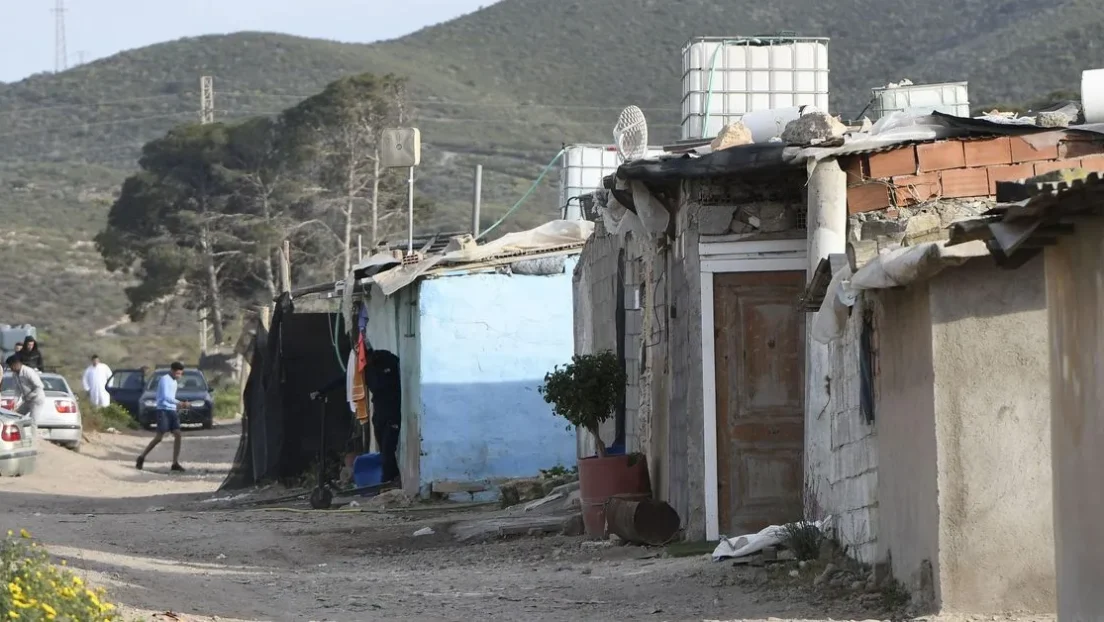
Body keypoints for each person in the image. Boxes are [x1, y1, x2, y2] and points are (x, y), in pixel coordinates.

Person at [135, 362, 186, 472]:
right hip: (163, 410)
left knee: (178, 434)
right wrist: (180, 403)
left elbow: (172, 397)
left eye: (180, 374)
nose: (179, 375)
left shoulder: (175, 382)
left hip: (172, 410)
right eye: (177, 373)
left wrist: (178, 406)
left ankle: (175, 463)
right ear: (172, 370)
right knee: (159, 437)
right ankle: (142, 457)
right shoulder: (164, 379)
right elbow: (166, 397)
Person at [364, 348, 402, 484]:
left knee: (388, 449)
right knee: (384, 452)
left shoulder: (387, 361)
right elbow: (345, 378)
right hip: (379, 415)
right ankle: (393, 479)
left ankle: (387, 482)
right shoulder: (367, 370)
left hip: (392, 413)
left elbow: (396, 363)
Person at [6, 354, 46, 422]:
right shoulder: (15, 374)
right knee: (16, 416)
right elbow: (18, 389)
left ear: (16, 364)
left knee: (32, 421)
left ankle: (33, 432)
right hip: (27, 400)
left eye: (11, 366)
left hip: (36, 398)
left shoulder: (28, 371)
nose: (11, 368)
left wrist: (30, 396)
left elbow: (40, 386)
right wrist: (14, 402)